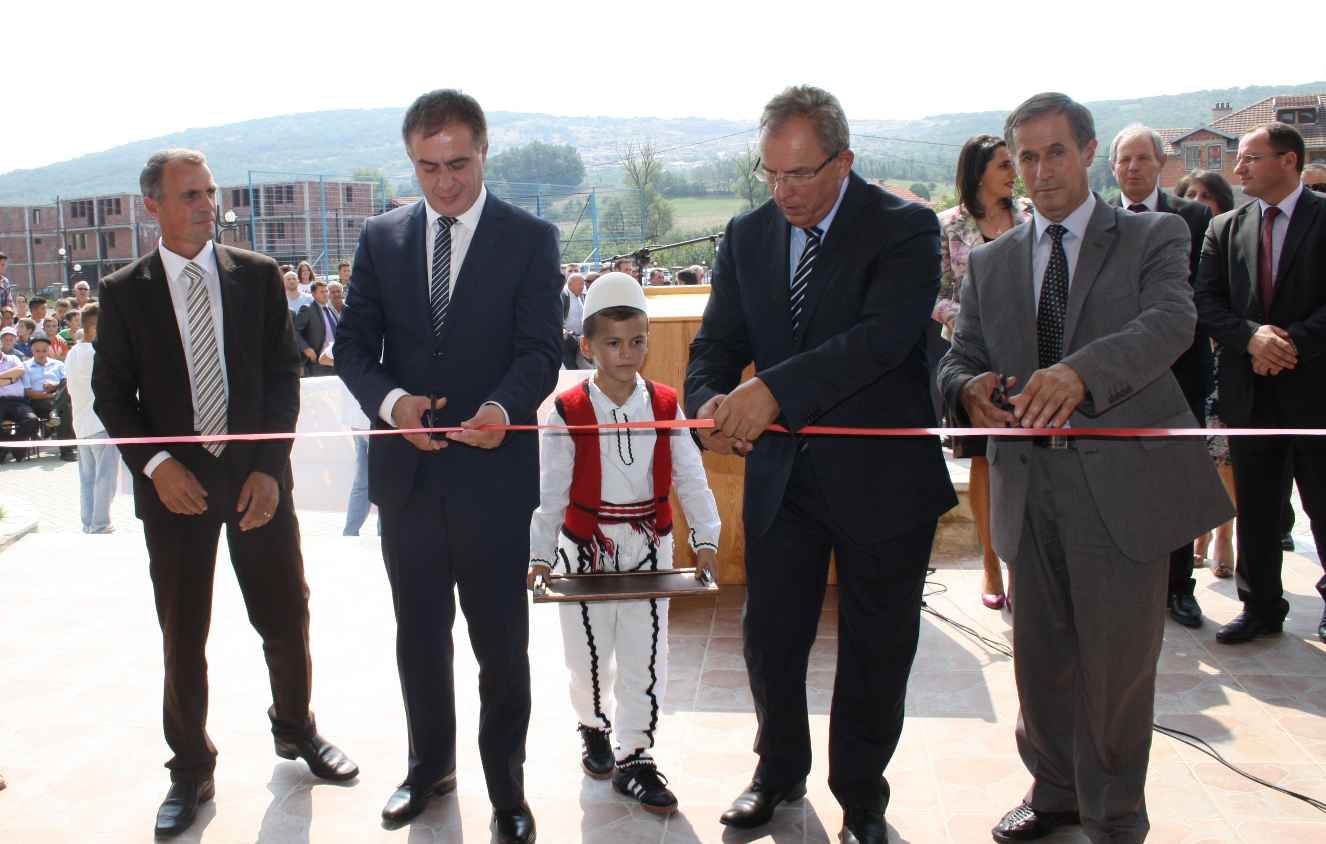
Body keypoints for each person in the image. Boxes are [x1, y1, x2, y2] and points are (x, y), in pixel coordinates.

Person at [938, 92, 1231, 844]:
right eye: (1025, 157)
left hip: (1120, 490)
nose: (1040, 171)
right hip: (1027, 487)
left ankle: (1115, 815)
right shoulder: (994, 261)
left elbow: (1171, 322)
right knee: (1040, 657)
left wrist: (1079, 374)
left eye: (1055, 152)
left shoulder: (1153, 236)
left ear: (1089, 150)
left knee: (1117, 666)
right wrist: (966, 389)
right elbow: (960, 359)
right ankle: (1055, 794)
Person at [686, 85, 956, 844]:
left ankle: (863, 798)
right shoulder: (746, 235)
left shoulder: (903, 228)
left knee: (877, 645)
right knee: (770, 639)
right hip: (783, 482)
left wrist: (771, 392)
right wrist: (709, 405)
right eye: (771, 174)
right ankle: (777, 774)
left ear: (844, 161)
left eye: (801, 174)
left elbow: (880, 339)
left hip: (884, 485)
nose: (785, 192)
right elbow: (715, 343)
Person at [92, 149, 358, 839]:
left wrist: (269, 466)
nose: (206, 204)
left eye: (210, 192)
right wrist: (157, 468)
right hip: (174, 493)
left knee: (285, 613)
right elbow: (113, 397)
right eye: (189, 195)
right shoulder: (124, 291)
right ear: (151, 205)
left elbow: (280, 377)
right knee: (183, 631)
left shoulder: (258, 277)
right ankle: (189, 767)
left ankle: (296, 731)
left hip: (256, 484)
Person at [334, 89, 559, 843]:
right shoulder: (381, 238)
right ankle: (428, 768)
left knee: (502, 646)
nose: (445, 182)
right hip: (409, 481)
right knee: (418, 634)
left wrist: (501, 407)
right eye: (427, 167)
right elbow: (353, 349)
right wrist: (392, 403)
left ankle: (508, 789)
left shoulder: (529, 238)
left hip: (494, 482)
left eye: (458, 163)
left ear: (484, 151)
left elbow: (539, 352)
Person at [527, 273, 721, 816]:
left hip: (649, 548)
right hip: (584, 548)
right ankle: (593, 724)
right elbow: (551, 492)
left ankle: (635, 752)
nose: (625, 353)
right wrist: (541, 555)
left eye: (636, 341)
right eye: (612, 343)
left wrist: (705, 537)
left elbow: (690, 475)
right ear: (587, 346)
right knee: (589, 654)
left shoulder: (664, 402)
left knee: (645, 651)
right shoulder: (565, 411)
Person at [1195, 122, 1326, 646]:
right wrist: (1252, 339)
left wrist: (1288, 344)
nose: (1238, 168)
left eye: (1250, 157)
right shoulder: (1224, 228)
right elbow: (1206, 302)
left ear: (1289, 161)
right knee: (1256, 503)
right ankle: (1260, 605)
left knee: (1322, 501)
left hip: (1315, 387)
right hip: (1249, 390)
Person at [1110, 123, 1215, 629]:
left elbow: (1197, 297)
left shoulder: (1194, 217)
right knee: (1124, 485)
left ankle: (1178, 588)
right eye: (1124, 160)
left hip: (1179, 373)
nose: (1132, 168)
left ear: (1160, 163)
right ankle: (1129, 585)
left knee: (1174, 484)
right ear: (1111, 168)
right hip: (1115, 381)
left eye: (1141, 159)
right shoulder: (1100, 222)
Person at [935, 133, 1033, 610]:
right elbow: (933, 294)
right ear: (977, 171)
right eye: (1002, 164)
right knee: (983, 462)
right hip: (972, 364)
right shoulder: (948, 228)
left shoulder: (1031, 218)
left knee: (1024, 463)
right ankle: (991, 565)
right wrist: (964, 314)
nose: (1012, 172)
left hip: (1028, 360)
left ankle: (1022, 568)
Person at [1176, 169, 1238, 577]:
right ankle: (1197, 535)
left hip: (1225, 356)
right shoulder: (1168, 241)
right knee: (1193, 458)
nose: (1199, 201)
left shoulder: (1232, 240)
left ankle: (1224, 535)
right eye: (1191, 194)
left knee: (1224, 456)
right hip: (1184, 359)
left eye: (1208, 195)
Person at [64, 303, 117, 532]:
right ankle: (100, 523)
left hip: (81, 423)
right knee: (105, 477)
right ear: (94, 326)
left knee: (87, 477)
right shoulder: (98, 353)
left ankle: (89, 522)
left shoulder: (73, 352)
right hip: (100, 422)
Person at [23, 333, 76, 461]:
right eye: (37, 351)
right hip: (39, 401)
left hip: (58, 397)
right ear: (32, 350)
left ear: (49, 349)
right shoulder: (25, 366)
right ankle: (66, 451)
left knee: (66, 384)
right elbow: (28, 392)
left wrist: (54, 386)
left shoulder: (58, 364)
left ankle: (54, 416)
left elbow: (66, 385)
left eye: (44, 350)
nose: (41, 354)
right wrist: (46, 394)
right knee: (64, 409)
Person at [0, 328, 37, 463]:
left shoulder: (13, 358)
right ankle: (6, 448)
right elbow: (15, 374)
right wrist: (11, 378)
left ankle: (15, 446)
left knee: (32, 420)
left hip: (18, 401)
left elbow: (20, 370)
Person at [293, 281, 337, 376]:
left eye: (326, 291)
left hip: (334, 361)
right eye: (322, 292)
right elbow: (295, 331)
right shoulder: (307, 309)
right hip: (317, 363)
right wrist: (306, 348)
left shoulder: (331, 309)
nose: (325, 294)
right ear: (313, 294)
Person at [560, 271, 587, 369]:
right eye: (580, 284)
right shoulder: (564, 296)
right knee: (570, 366)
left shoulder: (580, 296)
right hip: (567, 340)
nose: (582, 287)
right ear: (570, 284)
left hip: (578, 340)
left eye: (583, 284)